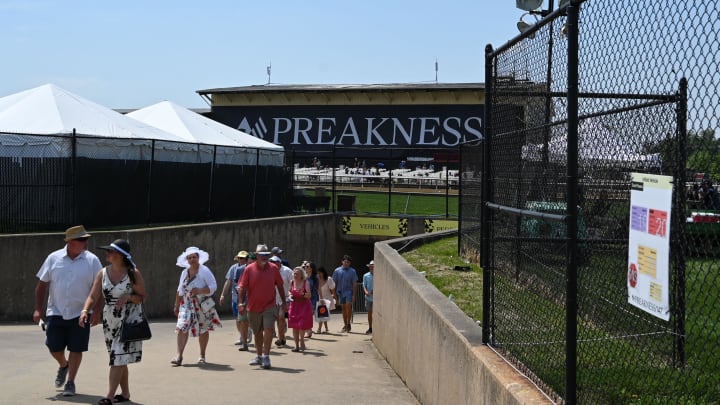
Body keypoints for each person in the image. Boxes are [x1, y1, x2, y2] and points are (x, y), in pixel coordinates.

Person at [33, 225, 102, 397]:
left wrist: (97, 311)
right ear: (70, 242)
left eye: (86, 239)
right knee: (53, 346)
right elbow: (42, 285)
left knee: (76, 348)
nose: (85, 243)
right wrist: (37, 309)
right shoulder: (53, 258)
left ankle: (70, 382)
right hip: (56, 310)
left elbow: (100, 287)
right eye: (81, 239)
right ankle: (63, 365)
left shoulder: (92, 260)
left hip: (82, 312)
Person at [79, 239, 146, 405]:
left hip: (129, 320)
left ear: (121, 255)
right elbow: (93, 296)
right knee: (118, 358)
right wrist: (85, 310)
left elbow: (142, 297)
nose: (107, 253)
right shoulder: (102, 273)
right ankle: (125, 393)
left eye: (111, 251)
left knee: (117, 356)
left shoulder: (133, 273)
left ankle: (109, 396)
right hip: (110, 321)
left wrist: (129, 297)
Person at [238, 244, 288, 369]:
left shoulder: (273, 269)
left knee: (269, 329)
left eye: (266, 255)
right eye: (262, 255)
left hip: (270, 305)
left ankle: (266, 356)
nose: (264, 257)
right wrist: (240, 302)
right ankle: (259, 356)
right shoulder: (249, 269)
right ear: (256, 255)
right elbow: (242, 287)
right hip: (253, 306)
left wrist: (284, 302)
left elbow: (280, 286)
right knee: (257, 332)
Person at [171, 246, 222, 366]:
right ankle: (179, 355)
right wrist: (176, 305)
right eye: (189, 258)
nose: (192, 259)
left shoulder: (204, 271)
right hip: (187, 304)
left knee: (203, 328)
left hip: (201, 304)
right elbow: (180, 290)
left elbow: (213, 286)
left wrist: (200, 290)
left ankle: (202, 355)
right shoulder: (184, 272)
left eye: (194, 257)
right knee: (182, 327)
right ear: (187, 260)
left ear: (198, 258)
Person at [220, 250, 251, 350]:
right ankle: (243, 336)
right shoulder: (234, 268)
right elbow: (228, 282)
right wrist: (222, 295)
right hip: (236, 298)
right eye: (240, 258)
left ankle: (246, 334)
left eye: (244, 258)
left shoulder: (250, 268)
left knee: (245, 319)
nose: (242, 260)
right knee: (238, 320)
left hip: (248, 298)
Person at [288, 267, 313, 352]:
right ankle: (296, 345)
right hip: (294, 305)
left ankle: (302, 339)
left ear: (302, 275)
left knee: (302, 325)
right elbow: (289, 291)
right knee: (294, 325)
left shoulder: (305, 282)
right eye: (294, 273)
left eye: (297, 273)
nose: (295, 275)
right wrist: (290, 295)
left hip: (304, 306)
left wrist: (303, 294)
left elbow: (309, 295)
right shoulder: (292, 282)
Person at [270, 255, 293, 347]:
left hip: (285, 298)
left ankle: (281, 338)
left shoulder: (287, 271)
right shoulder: (269, 271)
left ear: (279, 262)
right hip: (273, 299)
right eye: (271, 262)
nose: (272, 263)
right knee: (278, 320)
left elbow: (293, 283)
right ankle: (282, 338)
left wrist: (291, 297)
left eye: (274, 262)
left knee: (281, 318)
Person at [332, 255, 358, 333]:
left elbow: (354, 283)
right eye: (345, 261)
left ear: (350, 263)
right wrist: (334, 294)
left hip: (349, 292)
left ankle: (348, 323)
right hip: (340, 292)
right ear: (342, 262)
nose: (346, 263)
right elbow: (334, 283)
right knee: (343, 309)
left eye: (348, 262)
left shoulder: (352, 271)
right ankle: (345, 325)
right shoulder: (337, 271)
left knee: (348, 307)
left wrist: (354, 295)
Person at [316, 267, 335, 334]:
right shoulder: (317, 280)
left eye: (320, 273)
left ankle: (319, 329)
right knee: (323, 314)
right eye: (318, 273)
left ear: (323, 273)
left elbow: (332, 289)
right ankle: (326, 328)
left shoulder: (328, 279)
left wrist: (334, 296)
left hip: (327, 298)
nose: (319, 274)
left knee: (322, 314)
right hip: (319, 298)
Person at [304, 262, 319, 339]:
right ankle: (308, 330)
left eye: (307, 266)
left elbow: (318, 289)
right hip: (305, 298)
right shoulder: (304, 277)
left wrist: (321, 299)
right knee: (305, 315)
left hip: (313, 299)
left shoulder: (316, 278)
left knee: (309, 315)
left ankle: (309, 331)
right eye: (305, 266)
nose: (305, 268)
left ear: (311, 268)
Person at [363, 260, 375, 334]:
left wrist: (374, 290)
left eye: (373, 267)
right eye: (370, 267)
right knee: (369, 313)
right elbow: (364, 285)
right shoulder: (365, 275)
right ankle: (370, 328)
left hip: (376, 298)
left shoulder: (379, 275)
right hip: (368, 297)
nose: (371, 268)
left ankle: (375, 328)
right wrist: (366, 291)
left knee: (375, 313)